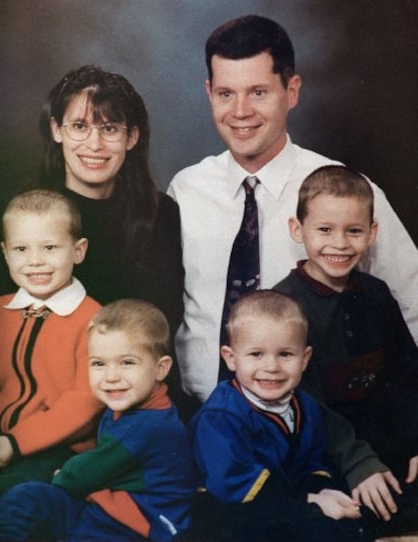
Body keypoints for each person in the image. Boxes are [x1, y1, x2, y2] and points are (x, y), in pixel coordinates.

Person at [167, 14, 418, 404]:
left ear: (293, 90)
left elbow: (413, 304)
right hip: (198, 418)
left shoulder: (348, 192)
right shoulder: (186, 189)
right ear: (208, 92)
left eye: (258, 92)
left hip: (315, 426)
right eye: (225, 93)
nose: (240, 111)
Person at [274, 165, 418, 536]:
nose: (339, 243)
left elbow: (407, 378)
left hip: (382, 446)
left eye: (353, 231)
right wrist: (359, 464)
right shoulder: (281, 308)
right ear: (297, 230)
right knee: (336, 522)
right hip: (319, 454)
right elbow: (300, 406)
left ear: (371, 234)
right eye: (324, 230)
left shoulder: (377, 295)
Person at [0, 65, 184, 337]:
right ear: (56, 130)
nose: (95, 144)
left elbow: (167, 318)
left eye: (109, 128)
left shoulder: (161, 214)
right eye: (80, 126)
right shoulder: (18, 216)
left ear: (131, 137)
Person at [0, 299, 195, 542]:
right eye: (98, 364)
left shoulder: (149, 425)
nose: (111, 377)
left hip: (139, 522)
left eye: (127, 363)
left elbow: (82, 474)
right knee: (29, 497)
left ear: (161, 369)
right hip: (104, 505)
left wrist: (63, 474)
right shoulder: (129, 403)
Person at [189, 290, 378, 542]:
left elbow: (311, 461)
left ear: (304, 358)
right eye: (256, 354)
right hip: (230, 508)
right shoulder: (220, 417)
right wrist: (310, 503)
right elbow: (232, 484)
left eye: (285, 354)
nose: (272, 367)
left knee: (352, 518)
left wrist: (322, 490)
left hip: (283, 501)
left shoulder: (305, 406)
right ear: (231, 358)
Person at [0, 189, 103, 504]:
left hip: (56, 450)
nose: (35, 261)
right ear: (5, 253)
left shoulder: (95, 321)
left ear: (78, 251)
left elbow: (85, 403)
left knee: (10, 498)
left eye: (50, 247)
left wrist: (15, 442)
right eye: (21, 249)